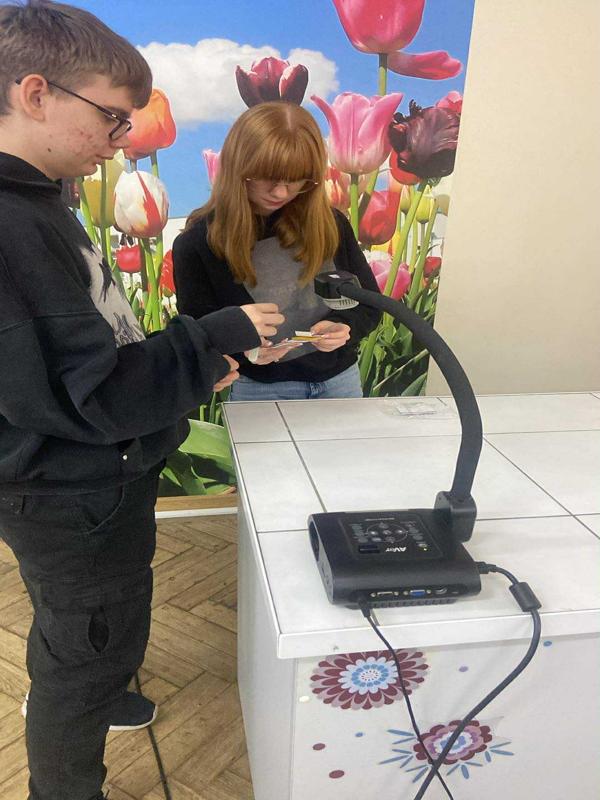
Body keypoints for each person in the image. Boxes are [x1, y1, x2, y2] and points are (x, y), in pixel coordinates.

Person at [0, 3, 284, 799]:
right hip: (71, 492)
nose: (121, 139)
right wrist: (209, 337)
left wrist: (190, 367)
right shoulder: (12, 224)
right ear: (35, 94)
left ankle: (104, 676)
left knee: (95, 616)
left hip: (92, 479)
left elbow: (88, 354)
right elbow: (87, 396)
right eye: (111, 118)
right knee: (82, 648)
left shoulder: (40, 201)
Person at [173, 101, 382, 402]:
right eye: (266, 177)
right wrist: (246, 353)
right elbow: (199, 334)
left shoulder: (331, 224)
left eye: (296, 179)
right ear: (238, 168)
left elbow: (369, 304)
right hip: (260, 389)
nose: (281, 192)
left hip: (340, 381)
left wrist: (345, 327)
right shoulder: (197, 244)